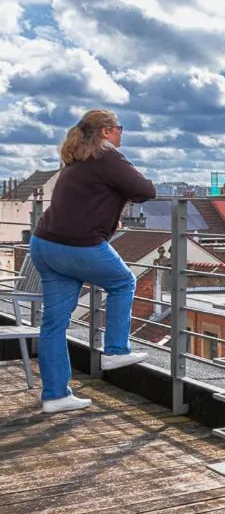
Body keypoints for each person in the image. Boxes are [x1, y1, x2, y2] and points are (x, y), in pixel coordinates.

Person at [31, 110, 157, 413]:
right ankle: (115, 350)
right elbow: (146, 191)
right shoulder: (107, 155)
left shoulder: (76, 161)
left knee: (53, 324)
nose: (121, 134)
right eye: (119, 129)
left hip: (44, 243)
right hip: (77, 246)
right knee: (123, 282)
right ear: (105, 131)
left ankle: (56, 395)